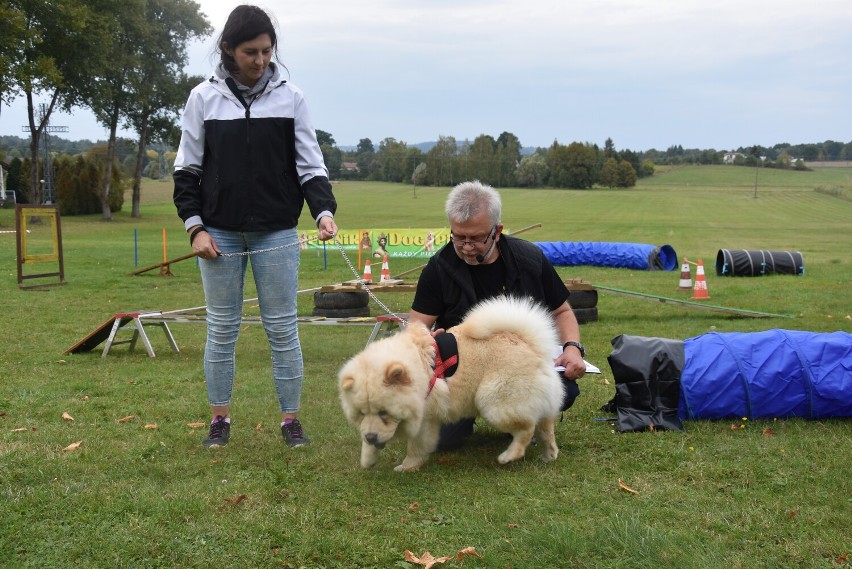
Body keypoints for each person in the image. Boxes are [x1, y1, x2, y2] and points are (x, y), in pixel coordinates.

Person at [173, 5, 338, 449]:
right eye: (251, 51)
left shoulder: (292, 98)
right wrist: (196, 229)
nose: (261, 60)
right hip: (218, 233)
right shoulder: (202, 98)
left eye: (267, 51)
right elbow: (186, 172)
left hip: (276, 232)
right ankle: (219, 420)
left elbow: (310, 166)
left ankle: (290, 422)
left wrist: (323, 211)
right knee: (222, 328)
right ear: (227, 49)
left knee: (282, 328)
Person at [408, 180, 586, 450]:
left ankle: (520, 419)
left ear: (497, 231)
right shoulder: (439, 268)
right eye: (458, 237)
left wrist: (572, 348)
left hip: (518, 367)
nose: (466, 247)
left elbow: (561, 310)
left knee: (565, 389)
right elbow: (416, 325)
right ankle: (475, 416)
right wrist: (424, 340)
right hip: (462, 375)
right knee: (440, 441)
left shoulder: (530, 259)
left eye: (476, 238)